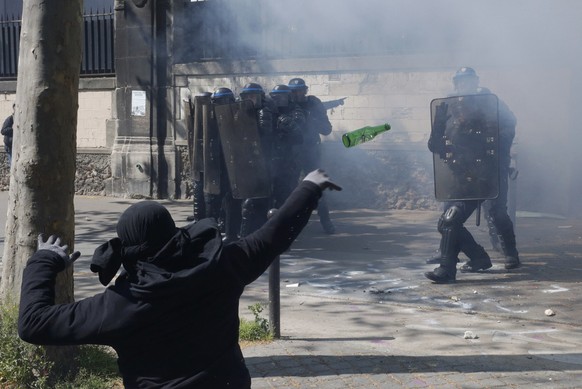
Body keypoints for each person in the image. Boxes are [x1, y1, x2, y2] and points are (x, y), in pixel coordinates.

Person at [18, 169, 342, 389]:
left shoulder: (120, 306)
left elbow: (34, 323)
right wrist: (309, 187)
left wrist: (44, 260)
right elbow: (274, 235)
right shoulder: (222, 268)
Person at [425, 67, 520, 284]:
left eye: (469, 81)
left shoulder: (489, 102)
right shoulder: (446, 106)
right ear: (456, 84)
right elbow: (435, 142)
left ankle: (510, 253)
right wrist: (439, 143)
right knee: (447, 220)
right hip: (462, 172)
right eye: (461, 82)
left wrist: (498, 152)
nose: (464, 85)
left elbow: (508, 125)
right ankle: (476, 258)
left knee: (497, 213)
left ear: (475, 82)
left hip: (489, 170)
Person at [287, 78, 336, 234]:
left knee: (317, 186)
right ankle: (290, 224)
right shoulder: (286, 105)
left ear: (305, 91)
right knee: (288, 188)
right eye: (293, 91)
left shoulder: (313, 104)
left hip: (310, 152)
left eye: (299, 91)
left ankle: (326, 221)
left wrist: (311, 119)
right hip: (291, 152)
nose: (296, 94)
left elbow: (326, 129)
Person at [238, 83, 275, 237]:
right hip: (248, 163)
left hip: (262, 163)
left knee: (255, 202)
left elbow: (262, 137)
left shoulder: (263, 113)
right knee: (250, 202)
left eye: (253, 96)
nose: (250, 99)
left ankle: (246, 236)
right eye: (247, 96)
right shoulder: (244, 112)